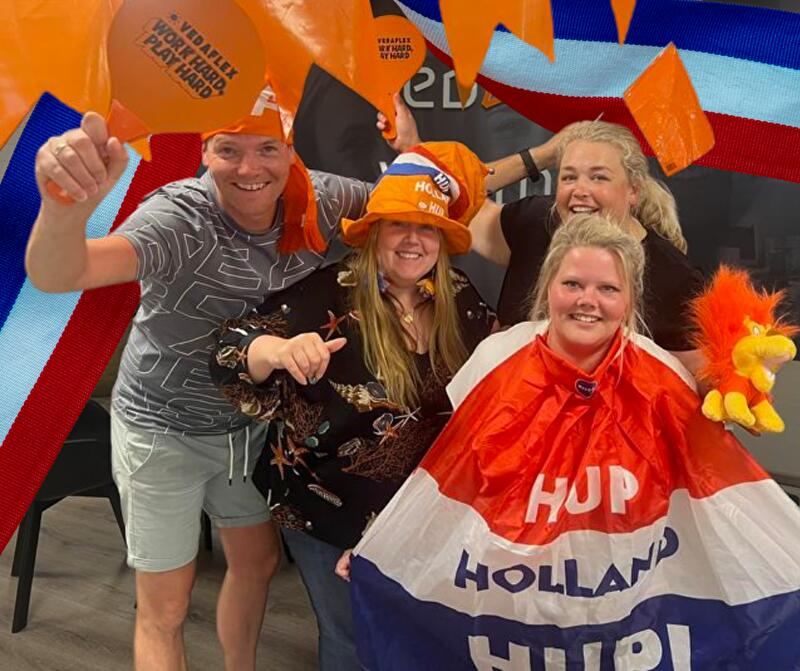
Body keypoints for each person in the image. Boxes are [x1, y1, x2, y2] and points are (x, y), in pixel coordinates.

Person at [23, 83, 414, 670]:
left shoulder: (324, 199)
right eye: (229, 149)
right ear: (205, 152)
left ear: (290, 150)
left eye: (267, 149)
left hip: (250, 429)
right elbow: (61, 273)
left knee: (257, 564)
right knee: (166, 607)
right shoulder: (178, 217)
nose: (249, 169)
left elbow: (422, 210)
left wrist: (411, 156)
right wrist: (64, 209)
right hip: (163, 429)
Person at [348, 214, 800, 670]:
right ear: (548, 287)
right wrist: (386, 546)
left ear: (629, 299)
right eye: (573, 284)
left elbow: (710, 488)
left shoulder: (661, 375)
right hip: (513, 605)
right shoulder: (495, 361)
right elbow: (448, 477)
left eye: (608, 289)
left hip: (623, 612)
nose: (588, 301)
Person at [209, 142, 494, 670]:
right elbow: (229, 349)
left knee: (414, 630)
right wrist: (276, 351)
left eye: (427, 227)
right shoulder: (327, 294)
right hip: (329, 506)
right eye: (398, 225)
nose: (413, 240)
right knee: (350, 636)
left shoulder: (458, 295)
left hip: (421, 512)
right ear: (374, 233)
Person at [461, 119, 705, 374]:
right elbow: (452, 194)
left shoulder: (676, 278)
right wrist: (541, 157)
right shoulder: (535, 222)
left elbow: (693, 383)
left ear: (634, 190)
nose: (580, 190)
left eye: (598, 177)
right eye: (569, 177)